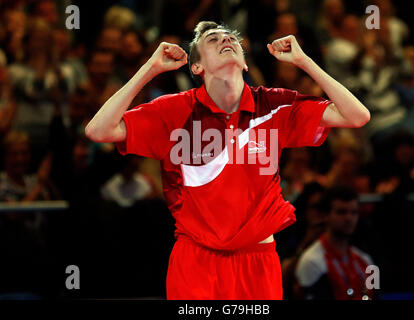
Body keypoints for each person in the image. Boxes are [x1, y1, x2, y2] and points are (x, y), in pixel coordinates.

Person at [85, 21, 370, 300]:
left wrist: (304, 62)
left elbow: (357, 116)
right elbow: (98, 130)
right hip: (196, 261)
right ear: (197, 67)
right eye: (213, 39)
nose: (226, 41)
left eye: (232, 39)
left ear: (245, 63)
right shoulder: (173, 111)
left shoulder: (274, 106)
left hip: (259, 262)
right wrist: (150, 69)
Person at [295, 186, 375, 300]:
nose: (349, 218)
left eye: (354, 212)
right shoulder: (312, 262)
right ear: (325, 216)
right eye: (341, 212)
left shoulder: (365, 260)